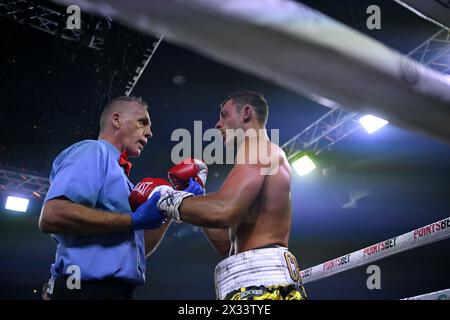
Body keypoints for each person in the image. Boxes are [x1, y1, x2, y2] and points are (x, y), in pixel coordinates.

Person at [155, 91, 308, 300]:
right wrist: (198, 198)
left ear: (246, 113)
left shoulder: (260, 149)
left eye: (224, 115)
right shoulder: (259, 155)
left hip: (263, 284)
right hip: (253, 280)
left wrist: (162, 198)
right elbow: (227, 245)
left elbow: (223, 211)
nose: (218, 124)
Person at [38, 96, 172, 300]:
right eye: (142, 122)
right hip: (84, 290)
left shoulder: (125, 181)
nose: (149, 132)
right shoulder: (94, 151)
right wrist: (132, 220)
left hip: (114, 292)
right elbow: (53, 215)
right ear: (116, 120)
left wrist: (170, 207)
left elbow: (136, 250)